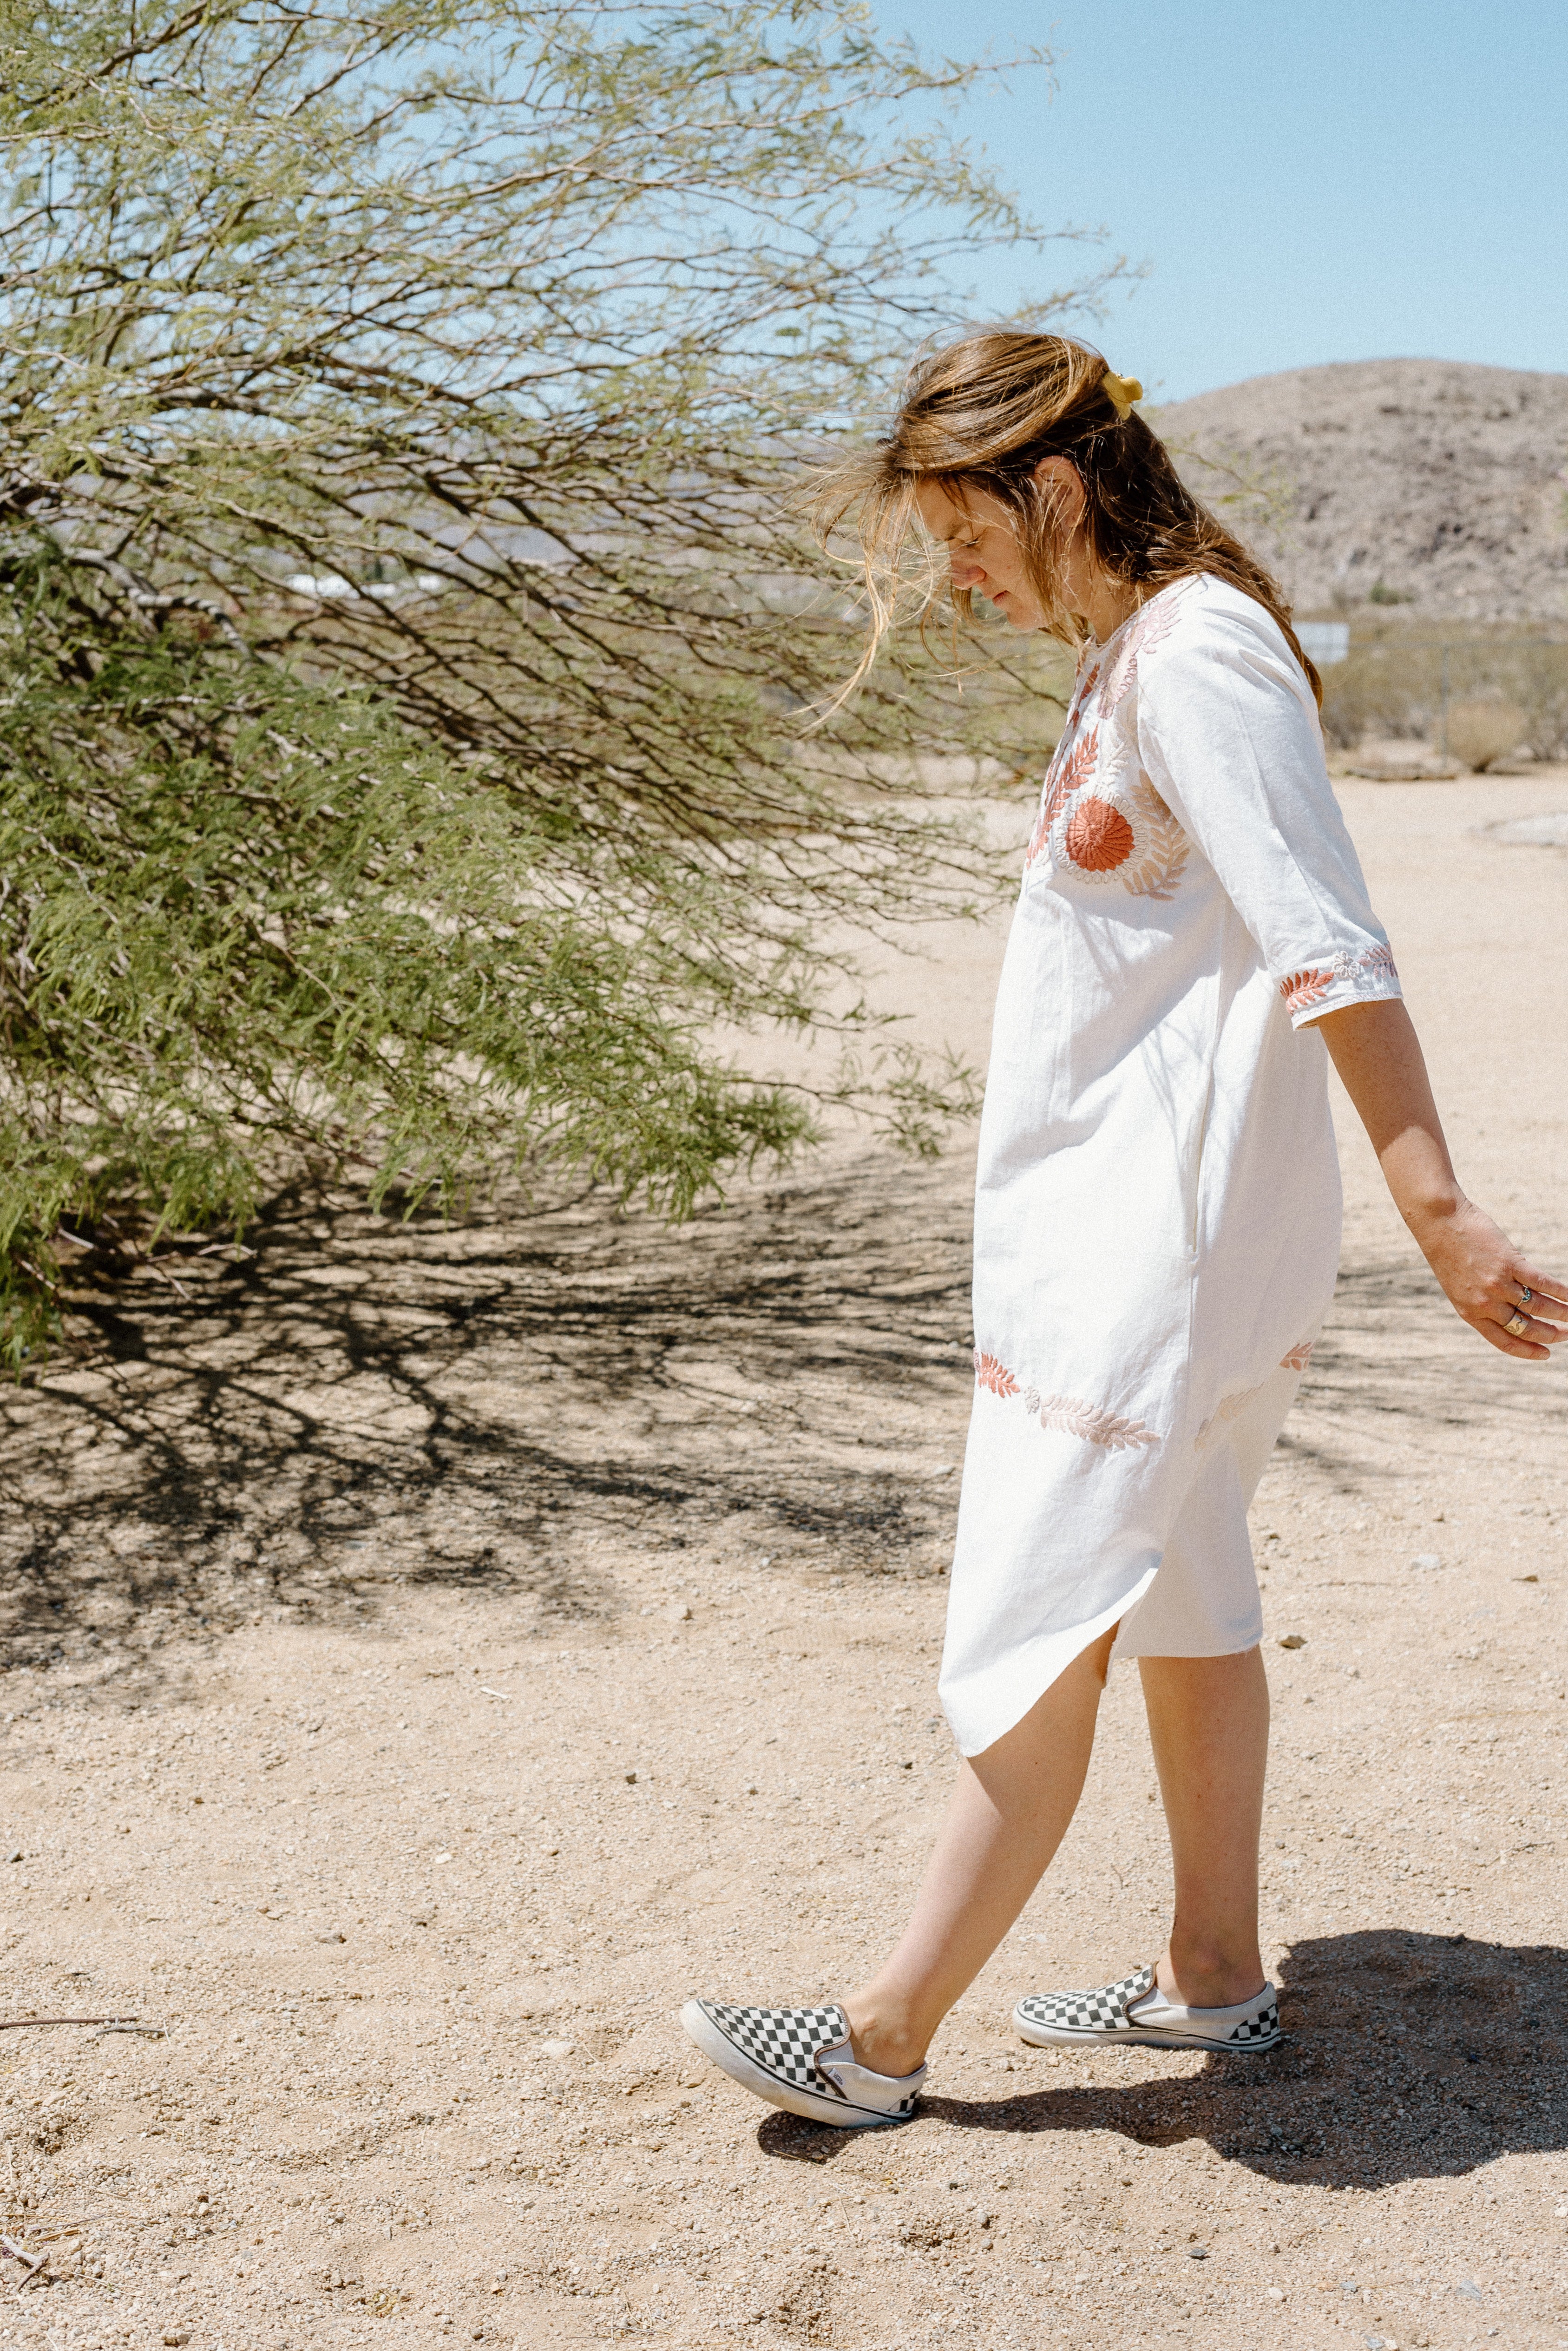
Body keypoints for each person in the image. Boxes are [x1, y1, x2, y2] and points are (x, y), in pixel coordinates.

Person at [681, 331, 1568, 2129]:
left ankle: (883, 2031)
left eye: (964, 532)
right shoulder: (1133, 656)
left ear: (1058, 487)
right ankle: (1215, 1973)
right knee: (1183, 1586)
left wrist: (1442, 1207)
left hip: (1155, 1252)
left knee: (1038, 1612)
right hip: (1133, 1232)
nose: (956, 574)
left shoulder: (1201, 656)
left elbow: (1333, 939)